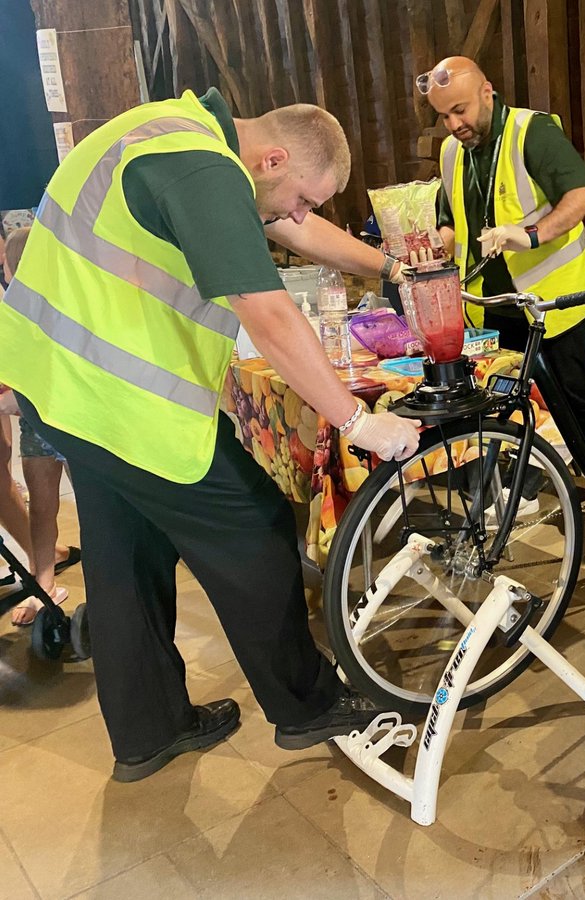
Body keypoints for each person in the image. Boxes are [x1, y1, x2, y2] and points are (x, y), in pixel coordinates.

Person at [0, 88, 422, 782]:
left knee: (126, 557)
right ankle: (307, 704)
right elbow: (269, 312)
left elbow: (293, 230)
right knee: (255, 527)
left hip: (57, 388)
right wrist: (357, 419)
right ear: (273, 157)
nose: (299, 214)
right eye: (302, 196)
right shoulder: (201, 165)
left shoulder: (168, 132)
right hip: (122, 402)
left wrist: (395, 268)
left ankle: (149, 732)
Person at [423, 55, 585, 528]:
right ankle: (521, 488)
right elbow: (450, 221)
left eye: (461, 110)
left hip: (555, 298)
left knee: (574, 394)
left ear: (487, 91)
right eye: (444, 116)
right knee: (507, 397)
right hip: (492, 303)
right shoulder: (452, 152)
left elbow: (583, 195)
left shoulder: (532, 132)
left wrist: (530, 234)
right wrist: (434, 245)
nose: (455, 124)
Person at [1, 227, 79, 625]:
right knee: (42, 507)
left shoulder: (70, 308)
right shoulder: (14, 313)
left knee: (93, 509)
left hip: (75, 422)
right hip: (39, 424)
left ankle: (108, 586)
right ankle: (42, 582)